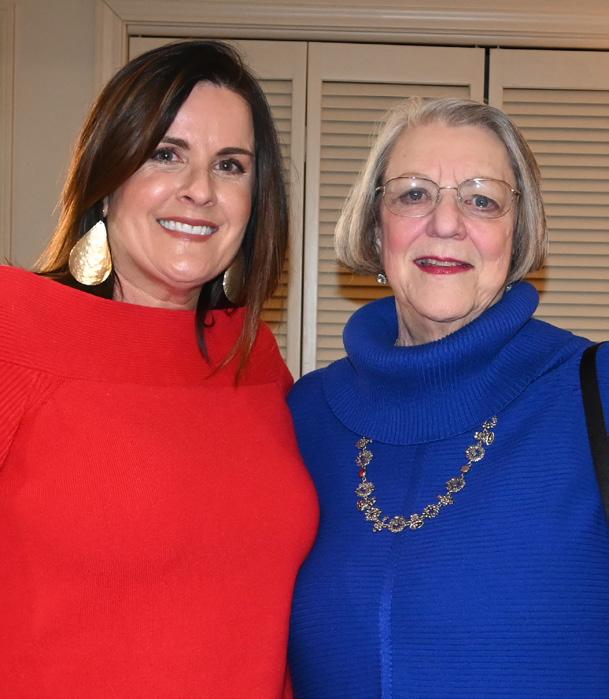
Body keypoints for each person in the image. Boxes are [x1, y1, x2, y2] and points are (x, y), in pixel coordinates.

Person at [0, 40, 318, 699]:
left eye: (229, 165)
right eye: (166, 154)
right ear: (107, 178)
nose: (200, 189)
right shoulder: (15, 327)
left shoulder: (255, 360)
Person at [288, 96, 609, 698]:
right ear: (374, 225)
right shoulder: (303, 417)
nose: (445, 223)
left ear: (517, 234)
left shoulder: (595, 393)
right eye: (413, 194)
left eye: (481, 200)